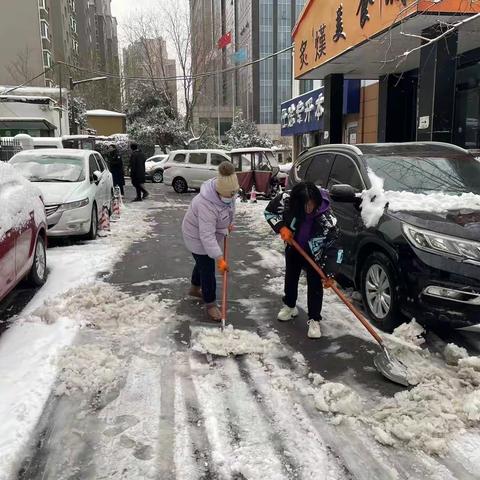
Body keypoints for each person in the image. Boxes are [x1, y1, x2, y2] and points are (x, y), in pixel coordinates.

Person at [264, 182, 340, 339]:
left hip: (315, 254)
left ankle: (314, 319)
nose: (308, 208)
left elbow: (335, 248)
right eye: (304, 205)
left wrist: (330, 273)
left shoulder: (327, 219)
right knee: (291, 277)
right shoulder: (286, 199)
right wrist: (281, 227)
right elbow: (269, 212)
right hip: (294, 246)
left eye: (311, 204)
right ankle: (290, 306)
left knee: (314, 284)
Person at [182, 162, 239, 321]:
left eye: (233, 194)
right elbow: (206, 236)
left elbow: (228, 210)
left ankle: (194, 288)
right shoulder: (205, 203)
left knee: (201, 263)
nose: (232, 198)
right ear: (220, 192)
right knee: (207, 268)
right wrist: (220, 259)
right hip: (196, 236)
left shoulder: (228, 192)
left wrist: (227, 224)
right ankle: (211, 304)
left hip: (209, 233)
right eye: (229, 195)